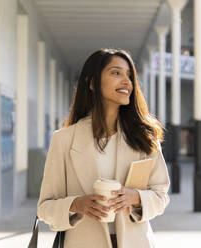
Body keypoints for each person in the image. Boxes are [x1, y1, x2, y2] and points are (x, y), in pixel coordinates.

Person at [37, 48, 171, 248]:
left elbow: (161, 196)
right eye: (116, 73)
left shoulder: (144, 137)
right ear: (92, 83)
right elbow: (45, 207)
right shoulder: (64, 140)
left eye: (129, 75)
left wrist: (135, 197)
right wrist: (76, 204)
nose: (127, 81)